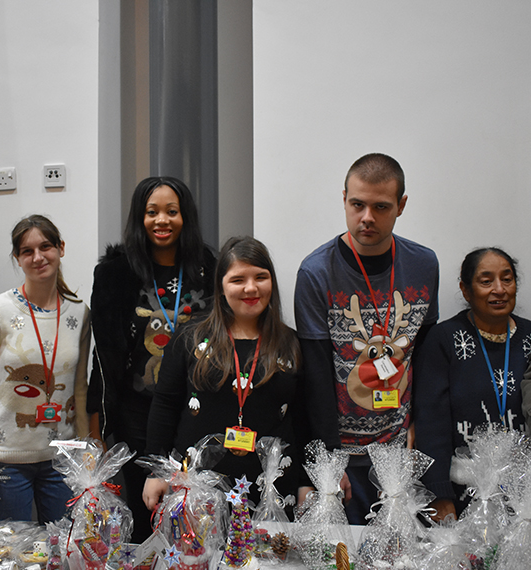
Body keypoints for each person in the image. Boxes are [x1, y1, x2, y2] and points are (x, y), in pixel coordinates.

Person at [294, 153, 439, 524]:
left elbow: (424, 357)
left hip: (401, 454)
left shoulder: (424, 265)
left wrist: (418, 425)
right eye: (357, 204)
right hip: (345, 456)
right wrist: (329, 461)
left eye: (381, 206)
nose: (367, 217)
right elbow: (316, 374)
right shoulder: (316, 272)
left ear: (401, 206)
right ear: (344, 198)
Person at [87, 176, 215, 542]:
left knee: (197, 516)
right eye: (152, 212)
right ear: (139, 218)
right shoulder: (115, 272)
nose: (162, 220)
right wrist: (97, 430)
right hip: (137, 413)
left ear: (184, 216)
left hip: (196, 410)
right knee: (148, 512)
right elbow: (105, 355)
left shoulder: (207, 265)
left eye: (171, 212)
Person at [143, 236, 306, 512]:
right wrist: (156, 471)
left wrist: (304, 480)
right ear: (221, 286)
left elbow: (301, 419)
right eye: (238, 279)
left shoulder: (290, 344)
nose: (251, 288)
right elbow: (164, 406)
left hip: (272, 493)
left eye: (260, 277)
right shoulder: (189, 339)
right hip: (197, 491)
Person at [0, 215, 90, 524]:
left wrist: (88, 451)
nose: (38, 257)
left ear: (60, 249)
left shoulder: (79, 312)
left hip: (63, 459)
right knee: (13, 550)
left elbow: (81, 388)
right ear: (17, 259)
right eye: (26, 251)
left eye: (45, 247)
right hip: (7, 460)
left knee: (63, 547)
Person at [412, 248, 531, 520]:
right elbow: (431, 421)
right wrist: (440, 493)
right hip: (464, 493)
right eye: (486, 281)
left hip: (528, 491)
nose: (499, 289)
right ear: (466, 290)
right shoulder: (444, 339)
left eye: (507, 279)